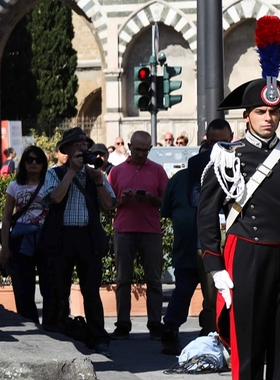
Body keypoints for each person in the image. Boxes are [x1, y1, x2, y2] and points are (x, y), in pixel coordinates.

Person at [197, 53, 280, 380]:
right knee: (248, 349)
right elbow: (206, 215)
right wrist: (214, 268)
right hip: (245, 255)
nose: (270, 118)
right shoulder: (226, 156)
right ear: (247, 116)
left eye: (275, 112)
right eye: (262, 112)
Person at [38, 127, 116, 351]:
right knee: (58, 288)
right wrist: (72, 171)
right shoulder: (56, 173)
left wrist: (99, 180)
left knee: (91, 290)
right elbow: (54, 197)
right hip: (61, 238)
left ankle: (97, 335)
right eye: (78, 146)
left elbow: (110, 205)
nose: (82, 149)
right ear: (68, 150)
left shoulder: (95, 175)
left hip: (87, 237)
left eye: (85, 146)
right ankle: (59, 330)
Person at [107, 131, 168, 339]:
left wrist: (151, 198)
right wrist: (121, 201)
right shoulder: (116, 172)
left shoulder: (158, 171)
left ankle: (155, 323)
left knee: (154, 279)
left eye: (146, 150)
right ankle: (123, 323)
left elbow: (166, 201)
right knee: (123, 278)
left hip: (150, 231)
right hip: (124, 231)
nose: (141, 154)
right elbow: (108, 203)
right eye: (138, 150)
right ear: (130, 147)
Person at [188, 118, 234, 332]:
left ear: (231, 139)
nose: (219, 148)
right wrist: (218, 198)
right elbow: (194, 198)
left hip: (235, 234)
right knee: (210, 293)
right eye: (215, 144)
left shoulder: (240, 160)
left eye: (224, 143)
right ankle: (210, 335)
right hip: (208, 237)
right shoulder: (198, 163)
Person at [0, 146, 50, 324]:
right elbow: (6, 218)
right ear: (24, 163)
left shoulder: (51, 184)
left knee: (50, 284)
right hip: (21, 240)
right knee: (23, 286)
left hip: (45, 238)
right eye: (30, 160)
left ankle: (52, 324)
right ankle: (30, 323)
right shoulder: (15, 186)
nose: (34, 163)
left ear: (44, 163)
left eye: (38, 160)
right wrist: (4, 247)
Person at [159, 160, 203, 356]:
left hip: (186, 245)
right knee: (218, 294)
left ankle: (170, 329)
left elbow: (165, 210)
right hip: (215, 247)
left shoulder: (178, 179)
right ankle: (213, 332)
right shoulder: (224, 174)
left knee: (182, 290)